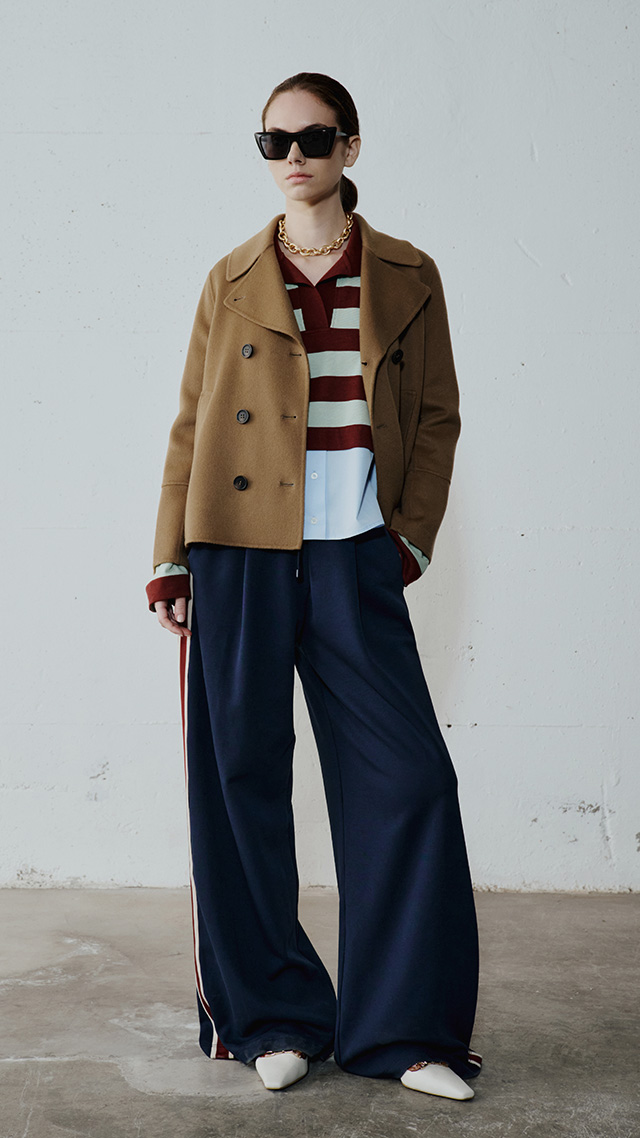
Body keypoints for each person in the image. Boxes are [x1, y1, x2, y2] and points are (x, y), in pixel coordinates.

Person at [145, 71, 483, 1100]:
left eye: (315, 137)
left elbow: (436, 417)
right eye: (274, 141)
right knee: (238, 781)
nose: (293, 156)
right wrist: (170, 556)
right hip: (238, 552)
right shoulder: (231, 277)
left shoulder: (408, 273)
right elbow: (193, 421)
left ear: (351, 146)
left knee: (409, 782)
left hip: (354, 551)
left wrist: (406, 542)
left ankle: (406, 1031)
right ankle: (271, 1016)